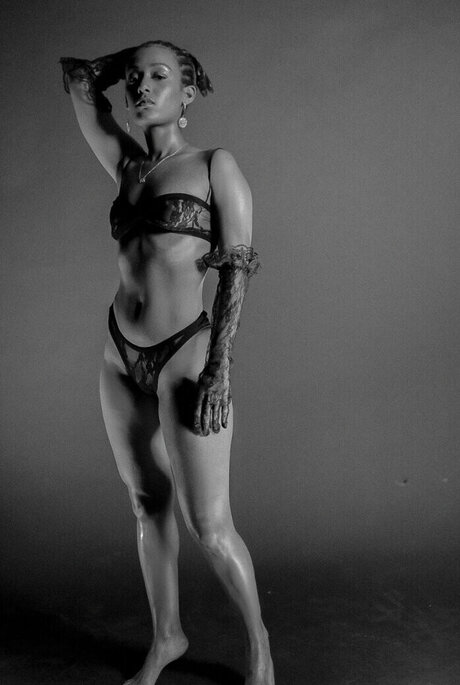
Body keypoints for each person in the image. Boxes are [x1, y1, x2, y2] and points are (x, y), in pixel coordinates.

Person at [59, 41, 275, 685]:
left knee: (208, 523)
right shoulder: (125, 164)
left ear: (189, 92)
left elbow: (237, 269)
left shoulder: (214, 165)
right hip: (118, 353)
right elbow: (77, 80)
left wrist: (220, 369)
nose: (141, 87)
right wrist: (137, 60)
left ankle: (260, 645)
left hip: (187, 351)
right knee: (145, 503)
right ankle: (167, 637)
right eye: (134, 78)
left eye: (159, 77)